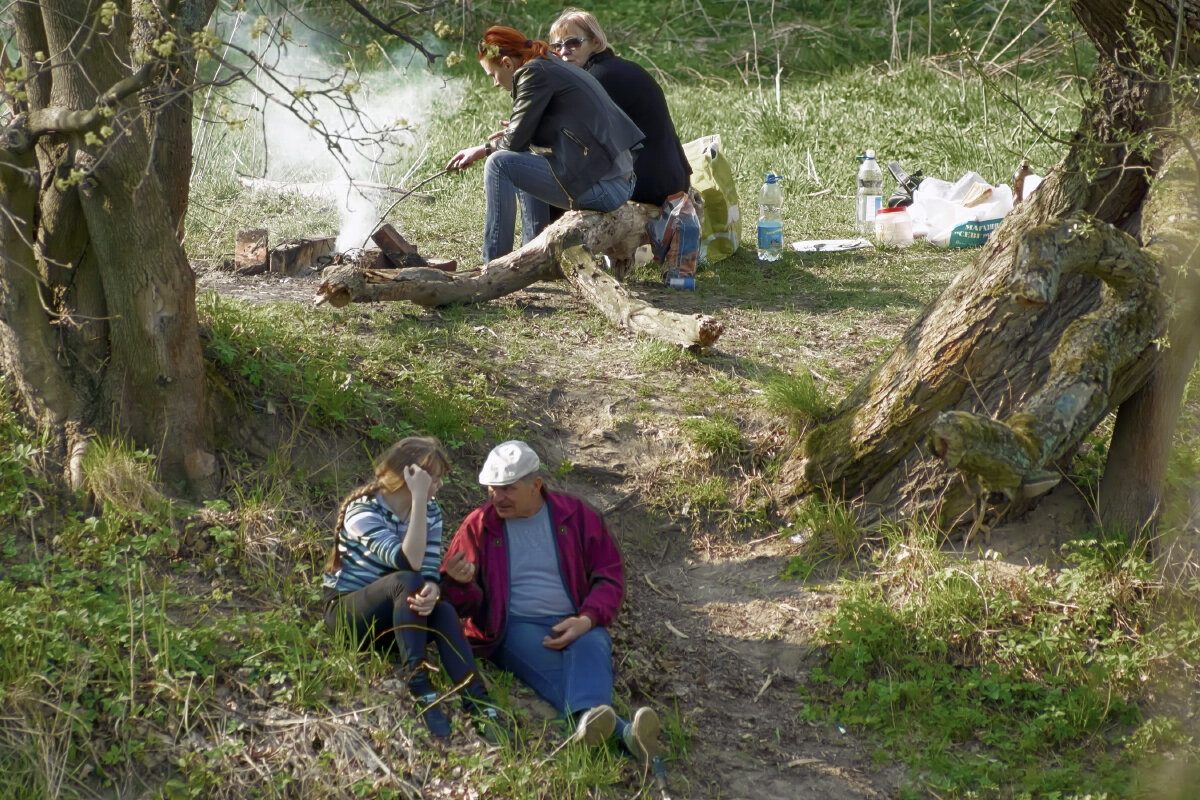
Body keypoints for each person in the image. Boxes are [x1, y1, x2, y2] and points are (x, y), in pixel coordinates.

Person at [441, 440, 664, 771]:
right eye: (492, 488)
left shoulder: (577, 516)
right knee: (566, 678)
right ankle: (627, 734)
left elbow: (610, 576)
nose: (496, 497)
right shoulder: (479, 526)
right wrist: (458, 583)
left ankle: (594, 727)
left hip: (574, 619)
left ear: (536, 485)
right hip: (511, 627)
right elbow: (458, 605)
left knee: (593, 640)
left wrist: (587, 619)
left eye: (507, 489)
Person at [321, 436, 507, 741]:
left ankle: (477, 700)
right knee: (406, 581)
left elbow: (428, 569)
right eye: (433, 477)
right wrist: (420, 499)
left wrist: (434, 589)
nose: (440, 484)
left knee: (442, 607)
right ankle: (420, 687)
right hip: (348, 618)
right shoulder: (362, 511)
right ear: (410, 476)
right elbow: (407, 561)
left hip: (395, 621)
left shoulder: (431, 513)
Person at [446, 26, 645, 263]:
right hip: (617, 180)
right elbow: (528, 137)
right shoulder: (546, 64)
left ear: (508, 63)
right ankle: (534, 256)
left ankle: (493, 265)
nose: (495, 84)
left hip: (605, 187)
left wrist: (483, 150)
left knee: (499, 164)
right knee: (521, 160)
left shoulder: (533, 73)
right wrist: (518, 133)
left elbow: (513, 143)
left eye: (493, 75)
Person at [548, 9, 691, 208]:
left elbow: (569, 135)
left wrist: (525, 132)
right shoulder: (615, 68)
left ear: (596, 42)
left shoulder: (599, 78)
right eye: (556, 47)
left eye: (573, 43)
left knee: (548, 174)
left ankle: (540, 237)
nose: (563, 52)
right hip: (671, 177)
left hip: (651, 184)